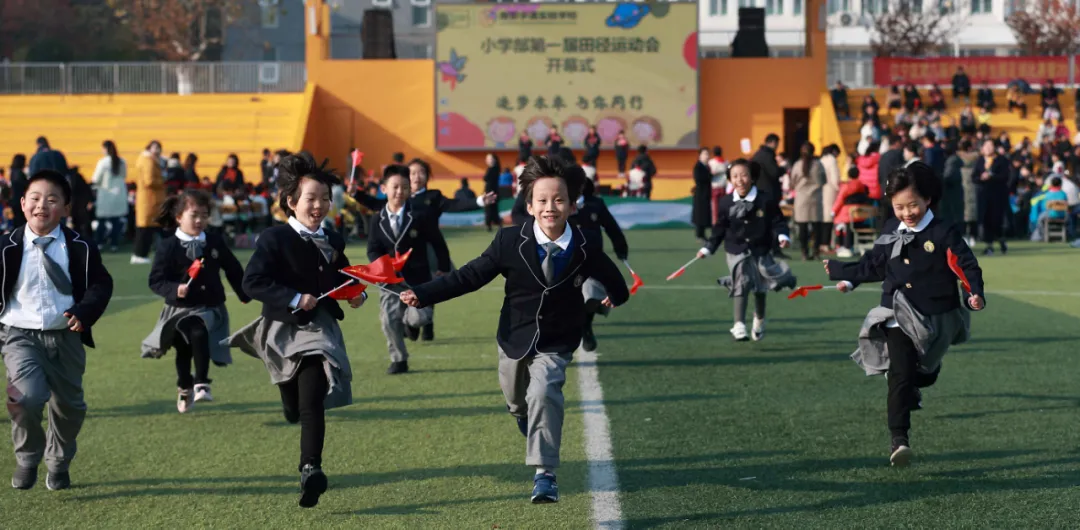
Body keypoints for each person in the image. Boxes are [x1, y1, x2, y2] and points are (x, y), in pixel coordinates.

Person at [399, 155, 629, 504]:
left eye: (559, 200)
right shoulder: (509, 240)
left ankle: (545, 473)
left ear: (572, 203)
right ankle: (524, 419)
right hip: (514, 336)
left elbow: (616, 283)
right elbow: (469, 277)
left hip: (557, 339)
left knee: (544, 393)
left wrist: (612, 298)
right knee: (518, 402)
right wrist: (423, 293)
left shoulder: (586, 243)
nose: (551, 207)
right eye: (543, 200)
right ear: (529, 204)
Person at [224, 152, 367, 508]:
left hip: (320, 328)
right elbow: (251, 282)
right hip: (282, 329)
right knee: (293, 402)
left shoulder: (333, 239)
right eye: (310, 198)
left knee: (313, 395)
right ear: (291, 202)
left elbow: (342, 276)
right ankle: (290, 406)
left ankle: (310, 469)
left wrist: (356, 292)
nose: (319, 205)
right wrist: (292, 297)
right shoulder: (274, 239)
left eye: (324, 198)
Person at [824, 161, 985, 467]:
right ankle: (899, 440)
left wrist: (974, 292)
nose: (907, 213)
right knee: (899, 374)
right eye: (899, 207)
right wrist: (846, 277)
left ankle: (918, 382)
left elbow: (966, 265)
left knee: (923, 375)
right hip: (897, 310)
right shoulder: (889, 228)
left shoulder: (943, 232)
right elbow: (875, 263)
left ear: (928, 199)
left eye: (913, 205)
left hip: (937, 315)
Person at [3, 170, 114, 491]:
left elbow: (100, 284)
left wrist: (85, 311)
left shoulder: (80, 247)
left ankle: (59, 462)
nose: (42, 205)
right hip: (18, 335)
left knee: (70, 407)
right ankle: (28, 457)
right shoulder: (6, 246)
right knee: (26, 398)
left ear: (65, 208)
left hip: (66, 335)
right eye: (35, 198)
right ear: (22, 204)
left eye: (52, 200)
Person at [142, 189, 250, 412]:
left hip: (209, 306)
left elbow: (233, 269)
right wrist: (174, 289)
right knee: (183, 350)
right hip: (178, 310)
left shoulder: (214, 242)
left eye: (204, 215)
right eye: (194, 215)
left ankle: (201, 382)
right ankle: (185, 386)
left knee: (199, 332)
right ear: (179, 217)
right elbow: (155, 280)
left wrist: (244, 294)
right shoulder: (168, 246)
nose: (200, 220)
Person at [696, 159, 795, 341]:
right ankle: (738, 324)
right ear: (729, 179)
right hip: (736, 249)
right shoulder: (726, 202)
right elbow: (719, 228)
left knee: (759, 288)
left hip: (760, 249)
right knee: (741, 281)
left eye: (743, 175)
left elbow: (778, 222)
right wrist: (708, 248)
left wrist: (783, 236)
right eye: (734, 176)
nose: (739, 180)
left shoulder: (766, 200)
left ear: (752, 177)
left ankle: (759, 319)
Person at [366, 164, 450, 374]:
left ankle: (409, 324)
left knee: (420, 317)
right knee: (388, 320)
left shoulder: (420, 215)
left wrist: (442, 266)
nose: (399, 192)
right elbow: (373, 249)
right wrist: (382, 265)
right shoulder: (377, 219)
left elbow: (438, 242)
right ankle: (399, 359)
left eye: (404, 187)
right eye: (394, 187)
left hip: (418, 277)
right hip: (390, 280)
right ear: (384, 189)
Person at [570, 176, 628, 352]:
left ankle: (586, 327)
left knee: (591, 297)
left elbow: (611, 227)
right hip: (563, 262)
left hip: (591, 261)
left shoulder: (596, 204)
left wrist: (621, 248)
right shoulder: (557, 202)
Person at [972, 139, 1011, 255]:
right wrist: (981, 178)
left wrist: (991, 176)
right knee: (985, 219)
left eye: (990, 146)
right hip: (983, 195)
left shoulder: (1001, 160)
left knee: (996, 220)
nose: (988, 148)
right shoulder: (979, 161)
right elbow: (973, 177)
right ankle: (989, 246)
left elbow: (1005, 176)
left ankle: (1001, 239)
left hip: (997, 195)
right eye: (986, 146)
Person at [789, 142, 826, 260]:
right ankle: (816, 252)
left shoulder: (797, 165)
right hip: (815, 199)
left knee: (802, 227)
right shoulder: (818, 165)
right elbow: (824, 180)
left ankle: (804, 252)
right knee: (817, 227)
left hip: (801, 199)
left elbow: (792, 182)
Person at [132, 140, 166, 264]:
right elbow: (149, 181)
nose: (157, 150)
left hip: (149, 200)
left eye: (159, 148)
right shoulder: (148, 161)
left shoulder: (148, 160)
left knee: (146, 228)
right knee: (145, 229)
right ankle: (140, 254)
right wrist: (163, 180)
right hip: (149, 199)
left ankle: (140, 254)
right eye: (155, 147)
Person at [90, 141, 128, 252]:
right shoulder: (122, 161)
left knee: (102, 221)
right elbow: (124, 175)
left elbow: (96, 179)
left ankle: (99, 242)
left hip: (105, 194)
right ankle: (114, 244)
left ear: (105, 149)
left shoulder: (103, 162)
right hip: (119, 194)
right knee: (116, 221)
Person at [691, 147, 713, 242]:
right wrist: (710, 176)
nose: (707, 156)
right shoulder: (698, 166)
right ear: (700, 156)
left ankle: (702, 234)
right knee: (700, 215)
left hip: (706, 193)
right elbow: (699, 178)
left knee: (704, 215)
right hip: (700, 194)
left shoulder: (707, 166)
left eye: (708, 154)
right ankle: (699, 235)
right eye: (705, 154)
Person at [483, 153, 503, 231]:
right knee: (492, 209)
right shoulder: (493, 168)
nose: (488, 160)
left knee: (489, 209)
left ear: (494, 160)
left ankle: (490, 224)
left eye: (490, 158)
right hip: (492, 191)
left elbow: (486, 178)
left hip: (491, 192)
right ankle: (496, 223)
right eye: (487, 159)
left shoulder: (493, 169)